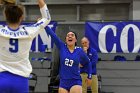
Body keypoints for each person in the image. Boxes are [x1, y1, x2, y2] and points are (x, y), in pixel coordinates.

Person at [0, 0, 51, 93]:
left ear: (5, 15)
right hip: (20, 80)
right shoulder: (29, 31)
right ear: (22, 17)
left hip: (2, 79)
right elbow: (47, 18)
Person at [46, 27, 92, 93]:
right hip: (63, 82)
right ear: (65, 40)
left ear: (76, 40)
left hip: (75, 81)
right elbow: (53, 36)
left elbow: (88, 63)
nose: (70, 36)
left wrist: (89, 76)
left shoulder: (79, 51)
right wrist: (45, 25)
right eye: (68, 36)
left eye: (72, 35)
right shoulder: (62, 47)